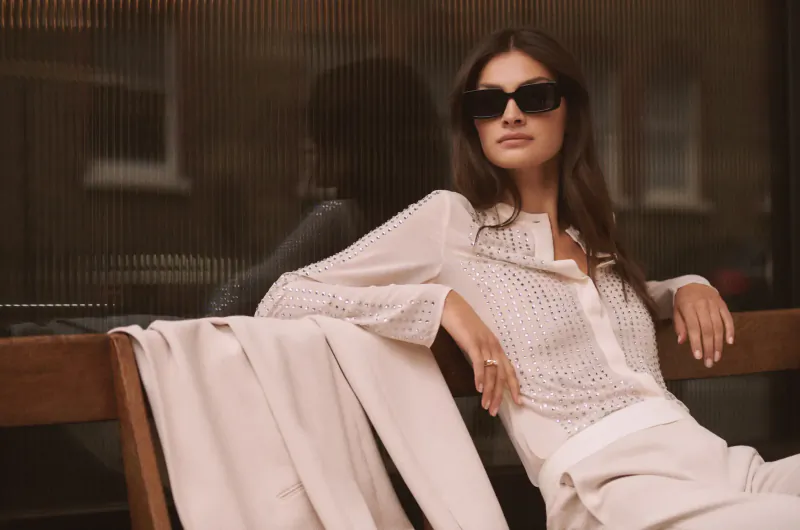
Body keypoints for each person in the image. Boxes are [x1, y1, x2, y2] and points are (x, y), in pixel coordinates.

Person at [255, 27, 800, 529]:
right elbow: (284, 297)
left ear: (570, 112)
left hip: (717, 461)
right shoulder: (450, 222)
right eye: (489, 103)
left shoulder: (594, 230)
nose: (511, 115)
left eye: (534, 97)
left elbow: (597, 310)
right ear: (474, 124)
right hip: (612, 486)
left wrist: (685, 286)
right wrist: (438, 303)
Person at [206, 57, 447, 316]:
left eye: (322, 146)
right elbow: (239, 295)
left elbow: (237, 297)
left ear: (362, 149)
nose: (314, 170)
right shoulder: (344, 220)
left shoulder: (344, 222)